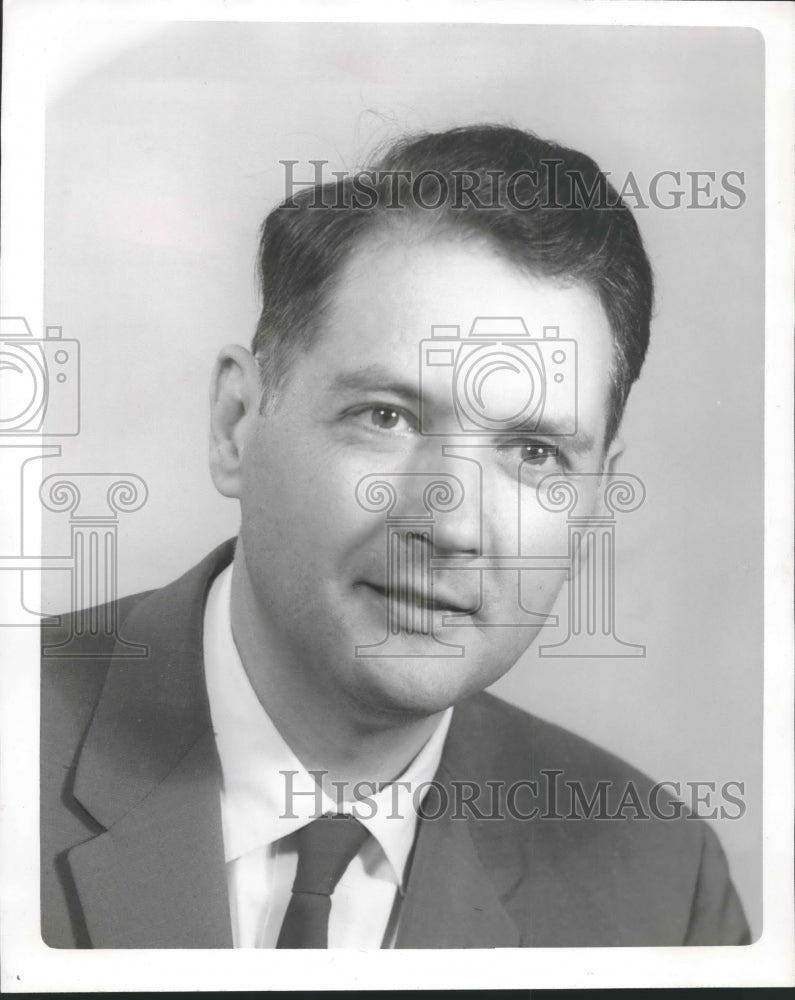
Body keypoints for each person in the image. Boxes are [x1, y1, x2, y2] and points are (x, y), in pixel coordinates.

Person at [40, 124, 750, 949]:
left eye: (533, 452)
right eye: (387, 416)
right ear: (237, 423)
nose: (448, 523)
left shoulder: (661, 887)